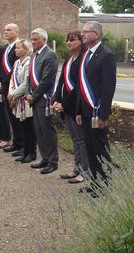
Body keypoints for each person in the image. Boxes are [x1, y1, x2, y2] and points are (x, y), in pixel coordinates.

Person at [76, 21, 117, 194]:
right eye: (82, 31)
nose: (83, 34)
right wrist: (78, 110)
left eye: (87, 31)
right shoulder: (86, 54)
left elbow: (108, 88)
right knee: (90, 149)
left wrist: (103, 115)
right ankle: (94, 183)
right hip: (85, 112)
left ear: (97, 34)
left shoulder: (106, 55)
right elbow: (81, 85)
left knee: (100, 149)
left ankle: (105, 185)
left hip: (97, 112)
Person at [53, 31, 88, 184]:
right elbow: (61, 81)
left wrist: (64, 103)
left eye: (73, 40)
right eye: (67, 40)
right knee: (75, 139)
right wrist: (56, 99)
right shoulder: (69, 58)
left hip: (76, 106)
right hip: (65, 105)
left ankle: (84, 172)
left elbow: (78, 87)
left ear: (81, 41)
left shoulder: (82, 59)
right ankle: (76, 168)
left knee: (81, 140)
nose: (68, 43)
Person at [25, 27, 59, 174]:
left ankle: (52, 161)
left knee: (47, 131)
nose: (32, 42)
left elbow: (46, 80)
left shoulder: (50, 55)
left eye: (35, 39)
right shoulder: (34, 55)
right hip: (34, 98)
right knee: (38, 130)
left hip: (44, 99)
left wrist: (34, 95)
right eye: (31, 39)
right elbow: (28, 77)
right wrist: (27, 92)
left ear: (44, 40)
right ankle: (44, 157)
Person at [7, 40, 37, 163]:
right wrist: (11, 93)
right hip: (17, 98)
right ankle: (25, 150)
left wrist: (13, 94)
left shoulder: (29, 62)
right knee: (22, 126)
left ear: (26, 49)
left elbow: (26, 83)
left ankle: (31, 152)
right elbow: (12, 80)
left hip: (25, 99)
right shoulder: (16, 63)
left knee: (29, 126)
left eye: (19, 48)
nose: (16, 50)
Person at [0, 23, 24, 154]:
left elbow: (14, 69)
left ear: (17, 32)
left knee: (17, 116)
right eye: (5, 29)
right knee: (11, 115)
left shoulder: (19, 46)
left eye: (9, 30)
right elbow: (1, 67)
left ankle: (21, 144)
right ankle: (16, 142)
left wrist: (4, 82)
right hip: (5, 86)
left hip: (14, 85)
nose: (5, 32)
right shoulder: (6, 48)